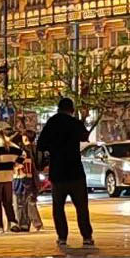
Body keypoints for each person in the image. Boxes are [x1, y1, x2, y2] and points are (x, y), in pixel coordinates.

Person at [37, 96, 95, 247]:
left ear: (58, 108)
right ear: (72, 109)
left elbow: (41, 145)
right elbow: (84, 136)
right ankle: (86, 236)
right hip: (75, 171)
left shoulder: (52, 123)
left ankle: (62, 237)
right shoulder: (74, 122)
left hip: (58, 172)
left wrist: (52, 147)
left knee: (58, 208)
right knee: (82, 207)